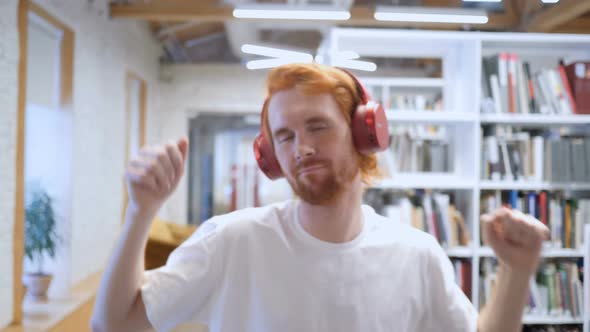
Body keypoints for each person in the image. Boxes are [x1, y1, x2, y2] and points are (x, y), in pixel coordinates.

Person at [91, 63, 550, 332]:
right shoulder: (232, 240)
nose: (301, 148)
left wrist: (517, 269)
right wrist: (141, 212)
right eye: (284, 137)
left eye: (317, 126)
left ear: (363, 133)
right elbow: (115, 324)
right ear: (270, 156)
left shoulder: (416, 255)